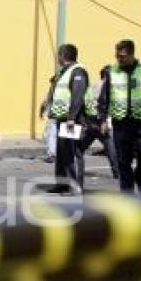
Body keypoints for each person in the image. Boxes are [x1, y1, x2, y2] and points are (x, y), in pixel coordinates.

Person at [97, 39, 141, 195]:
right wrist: (102, 119)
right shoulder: (112, 71)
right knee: (123, 161)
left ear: (132, 54)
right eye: (117, 56)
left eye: (122, 56)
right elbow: (104, 98)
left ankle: (140, 179)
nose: (119, 59)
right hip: (121, 122)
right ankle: (127, 196)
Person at [47, 44, 88, 194]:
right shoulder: (64, 72)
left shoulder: (78, 72)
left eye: (59, 54)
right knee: (62, 153)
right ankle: (61, 183)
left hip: (72, 120)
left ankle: (75, 186)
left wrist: (71, 117)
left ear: (63, 55)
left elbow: (77, 96)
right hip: (61, 119)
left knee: (72, 153)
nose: (57, 57)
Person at [80, 68, 118, 180]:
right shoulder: (107, 87)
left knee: (80, 147)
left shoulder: (93, 86)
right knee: (111, 147)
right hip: (101, 121)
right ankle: (117, 173)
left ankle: (74, 167)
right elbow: (103, 104)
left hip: (90, 121)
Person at [39, 73, 59, 163]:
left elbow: (45, 102)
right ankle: (54, 154)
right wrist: (42, 112)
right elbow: (45, 102)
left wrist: (42, 112)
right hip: (56, 116)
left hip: (57, 116)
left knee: (51, 135)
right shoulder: (54, 90)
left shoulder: (56, 90)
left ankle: (52, 154)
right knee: (52, 135)